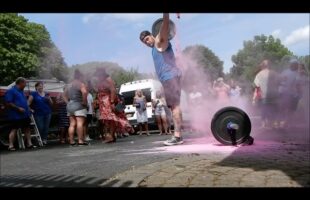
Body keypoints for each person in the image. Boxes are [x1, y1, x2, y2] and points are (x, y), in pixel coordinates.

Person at [140, 13, 183, 145]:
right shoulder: (154, 48)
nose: (146, 42)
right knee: (174, 107)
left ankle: (177, 136)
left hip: (171, 78)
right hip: (168, 79)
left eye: (147, 39)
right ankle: (178, 134)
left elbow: (165, 23)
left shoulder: (160, 40)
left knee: (175, 107)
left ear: (152, 35)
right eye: (144, 42)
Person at [95, 68, 132, 143]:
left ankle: (111, 136)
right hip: (103, 102)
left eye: (98, 74)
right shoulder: (101, 81)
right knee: (108, 120)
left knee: (111, 119)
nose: (97, 76)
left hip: (108, 101)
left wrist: (112, 102)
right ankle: (112, 136)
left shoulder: (108, 80)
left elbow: (113, 90)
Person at [5, 77, 37, 151]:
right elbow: (8, 103)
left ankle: (29, 144)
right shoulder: (11, 91)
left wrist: (29, 109)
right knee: (14, 129)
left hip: (25, 114)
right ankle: (10, 146)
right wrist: (18, 108)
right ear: (20, 83)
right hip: (15, 115)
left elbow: (25, 102)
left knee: (27, 128)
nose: (26, 85)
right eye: (25, 83)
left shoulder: (22, 91)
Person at [63, 69, 89, 146]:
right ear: (80, 76)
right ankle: (80, 141)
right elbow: (84, 92)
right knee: (80, 123)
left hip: (70, 105)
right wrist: (84, 102)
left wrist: (68, 102)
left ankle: (71, 141)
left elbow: (63, 95)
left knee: (72, 124)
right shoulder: (81, 84)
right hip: (79, 105)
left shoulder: (69, 85)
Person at [253, 60, 279, 129]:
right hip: (273, 95)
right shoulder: (274, 73)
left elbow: (257, 87)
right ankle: (272, 125)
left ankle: (264, 125)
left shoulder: (259, 75)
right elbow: (278, 83)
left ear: (263, 66)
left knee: (263, 111)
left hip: (263, 96)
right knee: (273, 111)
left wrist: (254, 98)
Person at [277, 58, 300, 128]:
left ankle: (287, 123)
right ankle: (280, 122)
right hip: (284, 93)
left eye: (296, 65)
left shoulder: (298, 73)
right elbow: (279, 80)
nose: (295, 66)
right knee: (282, 108)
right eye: (293, 64)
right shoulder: (285, 72)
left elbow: (298, 85)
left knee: (291, 110)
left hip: (292, 94)